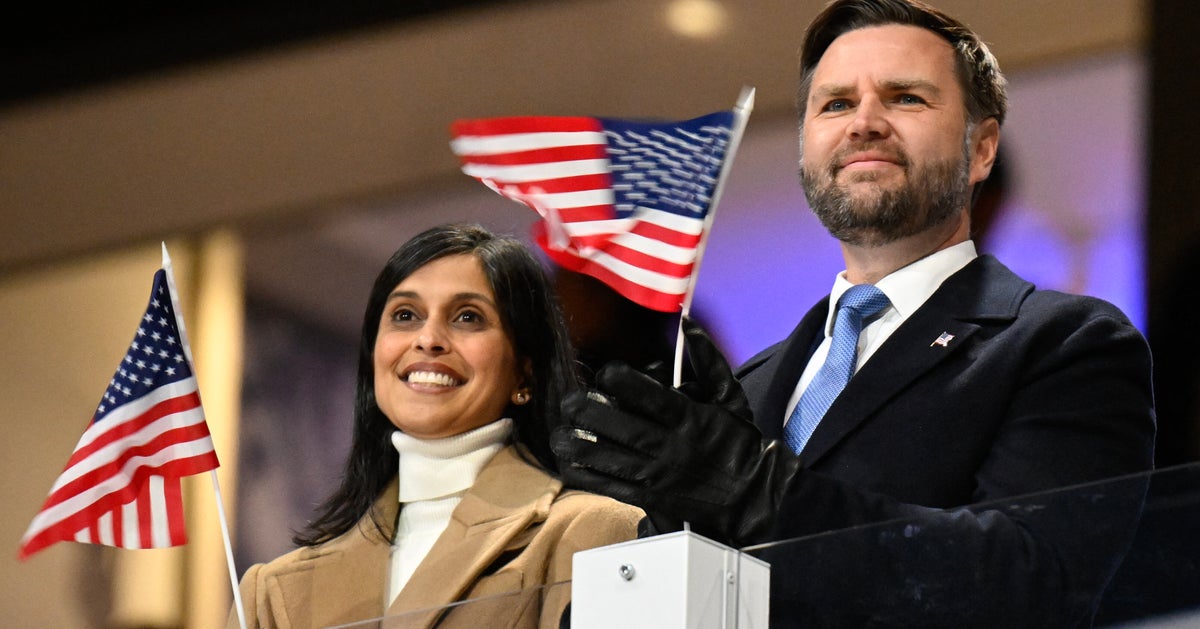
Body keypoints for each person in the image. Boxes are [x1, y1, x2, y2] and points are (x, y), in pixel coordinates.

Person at [550, 1, 1156, 627]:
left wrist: (758, 495)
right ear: (807, 152)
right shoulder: (750, 385)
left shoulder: (1066, 345)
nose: (864, 122)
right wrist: (677, 525)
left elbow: (1030, 582)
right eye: (836, 104)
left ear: (982, 149)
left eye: (905, 98)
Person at [229, 223, 643, 629]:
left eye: (467, 316)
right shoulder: (271, 593)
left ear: (525, 375)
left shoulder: (593, 532)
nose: (428, 339)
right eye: (405, 315)